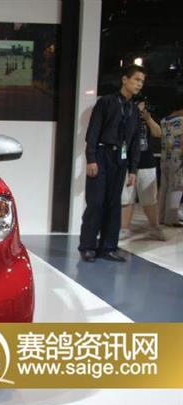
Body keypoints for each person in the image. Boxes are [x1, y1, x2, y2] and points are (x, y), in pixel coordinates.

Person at [79, 65, 145, 262]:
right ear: (125, 79)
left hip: (121, 160)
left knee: (114, 204)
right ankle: (88, 246)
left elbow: (135, 142)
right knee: (96, 202)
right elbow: (93, 132)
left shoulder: (134, 110)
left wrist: (133, 169)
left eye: (142, 81)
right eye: (136, 80)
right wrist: (91, 158)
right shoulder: (106, 102)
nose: (139, 84)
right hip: (101, 154)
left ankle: (108, 247)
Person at [118, 97, 167, 240]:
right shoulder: (124, 116)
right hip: (127, 164)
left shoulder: (147, 119)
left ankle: (154, 227)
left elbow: (158, 133)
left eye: (143, 106)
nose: (141, 108)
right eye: (139, 105)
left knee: (149, 198)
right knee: (126, 198)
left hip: (147, 162)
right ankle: (124, 229)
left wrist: (148, 119)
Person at [157, 102, 183, 226]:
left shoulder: (164, 120)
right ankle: (171, 219)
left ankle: (161, 218)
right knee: (177, 187)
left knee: (164, 188)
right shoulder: (182, 120)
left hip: (164, 158)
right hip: (178, 158)